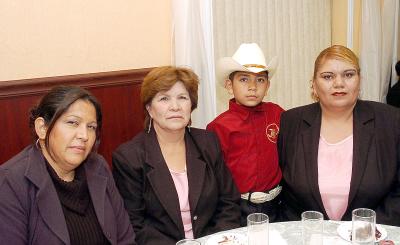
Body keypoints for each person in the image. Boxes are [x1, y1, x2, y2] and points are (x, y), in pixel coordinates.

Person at [112, 66, 240, 245]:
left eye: (182, 98)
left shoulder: (207, 142)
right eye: (164, 98)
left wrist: (213, 241)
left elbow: (229, 202)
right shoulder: (129, 157)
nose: (175, 107)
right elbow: (135, 225)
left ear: (191, 105)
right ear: (149, 108)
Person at [278, 45, 400, 226]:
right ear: (313, 84)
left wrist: (365, 231)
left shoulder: (391, 120)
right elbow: (286, 193)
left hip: (372, 236)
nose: (339, 83)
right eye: (328, 76)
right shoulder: (291, 121)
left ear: (360, 80)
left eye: (348, 75)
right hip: (309, 235)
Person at [0, 86, 135, 245]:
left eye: (91, 127)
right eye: (72, 122)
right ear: (42, 128)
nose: (84, 136)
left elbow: (126, 239)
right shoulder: (10, 182)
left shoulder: (98, 167)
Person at [207, 43, 284, 225]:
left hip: (279, 204)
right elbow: (216, 178)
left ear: (268, 85)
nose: (252, 87)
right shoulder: (218, 127)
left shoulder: (278, 114)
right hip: (239, 207)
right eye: (243, 79)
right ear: (229, 85)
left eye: (260, 80)